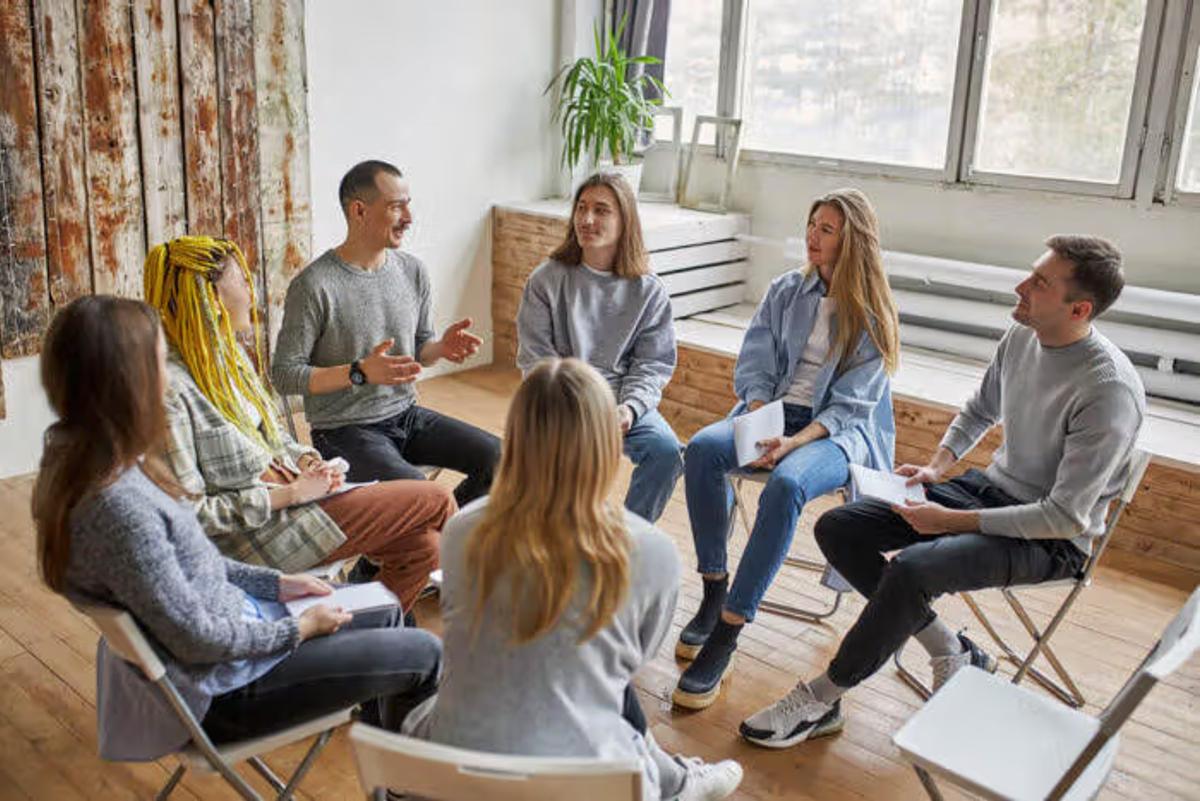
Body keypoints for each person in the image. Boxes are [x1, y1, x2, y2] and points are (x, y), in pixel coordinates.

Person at [740, 235, 1145, 749]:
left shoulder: (1108, 392)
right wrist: (937, 467)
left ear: (1079, 308)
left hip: (1053, 540)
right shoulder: (1024, 336)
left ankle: (822, 697)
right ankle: (950, 647)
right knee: (839, 527)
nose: (1020, 287)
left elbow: (1064, 517)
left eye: (1039, 282)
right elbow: (980, 409)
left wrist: (950, 522)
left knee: (914, 570)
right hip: (992, 493)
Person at [31, 295, 441, 761]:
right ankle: (409, 785)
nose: (169, 376)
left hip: (237, 638)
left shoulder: (88, 460)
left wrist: (276, 583)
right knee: (427, 653)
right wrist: (300, 629)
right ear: (132, 382)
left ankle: (386, 762)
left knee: (385, 610)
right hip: (224, 690)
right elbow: (198, 639)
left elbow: (192, 564)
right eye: (160, 361)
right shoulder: (118, 508)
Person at [405, 359, 742, 801]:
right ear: (607, 443)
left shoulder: (464, 527)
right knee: (594, 683)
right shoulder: (654, 553)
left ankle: (674, 779)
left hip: (452, 767)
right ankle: (675, 783)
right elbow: (630, 662)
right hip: (586, 780)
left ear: (517, 439)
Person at [672, 189, 901, 709]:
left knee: (788, 483)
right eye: (811, 224)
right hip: (773, 413)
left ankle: (728, 630)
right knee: (704, 450)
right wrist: (757, 417)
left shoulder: (874, 313)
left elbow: (851, 406)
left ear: (853, 241)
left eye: (826, 229)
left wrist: (793, 442)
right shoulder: (784, 291)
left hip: (836, 434)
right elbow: (754, 363)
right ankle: (713, 588)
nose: (812, 237)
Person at [144, 236, 453, 615]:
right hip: (262, 533)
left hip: (298, 498)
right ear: (210, 298)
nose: (250, 289)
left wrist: (307, 460)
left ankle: (363, 654)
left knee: (424, 550)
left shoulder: (224, 359)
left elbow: (273, 436)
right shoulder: (169, 391)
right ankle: (487, 611)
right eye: (242, 281)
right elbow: (187, 513)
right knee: (434, 499)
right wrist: (289, 496)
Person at [272, 160, 500, 505]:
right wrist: (358, 372)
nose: (408, 217)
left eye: (408, 204)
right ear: (359, 211)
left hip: (407, 415)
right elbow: (285, 375)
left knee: (503, 459)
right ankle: (414, 547)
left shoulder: (413, 271)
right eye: (396, 206)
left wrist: (440, 348)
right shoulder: (314, 285)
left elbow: (420, 346)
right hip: (344, 431)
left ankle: (444, 540)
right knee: (423, 496)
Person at [516, 172, 682, 524]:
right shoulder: (546, 280)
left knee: (666, 451)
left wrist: (630, 409)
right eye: (581, 208)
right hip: (562, 402)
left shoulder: (649, 290)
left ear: (625, 222)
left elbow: (652, 365)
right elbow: (536, 361)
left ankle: (627, 545)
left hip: (621, 404)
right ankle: (564, 540)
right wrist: (574, 406)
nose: (587, 219)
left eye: (601, 210)